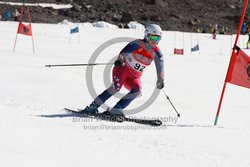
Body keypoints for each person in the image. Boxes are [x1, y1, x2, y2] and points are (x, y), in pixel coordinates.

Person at [81, 24, 165, 119]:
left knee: (137, 90)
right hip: (122, 70)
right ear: (147, 35)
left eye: (158, 38)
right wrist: (120, 60)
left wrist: (160, 79)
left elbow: (160, 66)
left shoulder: (157, 52)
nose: (155, 41)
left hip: (134, 77)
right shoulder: (137, 44)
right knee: (115, 88)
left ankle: (116, 109)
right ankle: (93, 106)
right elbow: (123, 53)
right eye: (153, 37)